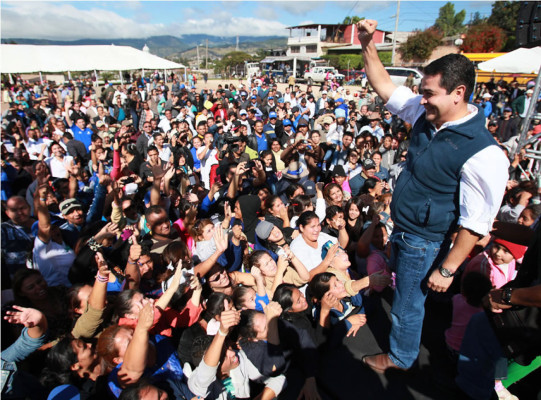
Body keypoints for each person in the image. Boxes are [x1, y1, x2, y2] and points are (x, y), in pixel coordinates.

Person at [357, 19, 509, 373]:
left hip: (425, 242)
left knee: (408, 305)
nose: (420, 99)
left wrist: (447, 267)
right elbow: (384, 86)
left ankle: (400, 358)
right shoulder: (427, 115)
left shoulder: (483, 153)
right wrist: (367, 44)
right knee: (410, 296)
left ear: (458, 93)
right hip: (406, 231)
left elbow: (475, 224)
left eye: (429, 93)